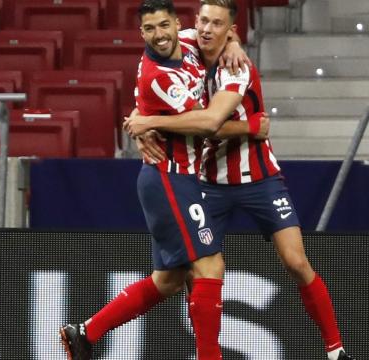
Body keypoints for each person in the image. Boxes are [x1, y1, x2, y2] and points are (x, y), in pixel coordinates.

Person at [124, 1, 356, 359]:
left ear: (230, 28)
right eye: (203, 20)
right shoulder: (183, 41)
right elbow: (153, 78)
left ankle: (335, 349)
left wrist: (150, 122)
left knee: (295, 262)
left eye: (217, 24)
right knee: (183, 276)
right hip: (208, 181)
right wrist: (140, 120)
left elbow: (210, 121)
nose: (206, 29)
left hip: (260, 178)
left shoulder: (237, 67)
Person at [59, 1, 250, 359]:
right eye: (150, 29)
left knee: (169, 280)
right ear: (140, 33)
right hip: (170, 178)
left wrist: (235, 41)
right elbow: (207, 122)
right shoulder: (157, 75)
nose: (160, 35)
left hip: (174, 178)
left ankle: (85, 333)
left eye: (165, 25)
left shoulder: (191, 41)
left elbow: (220, 31)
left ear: (178, 24)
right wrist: (147, 122)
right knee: (211, 265)